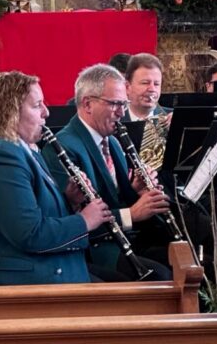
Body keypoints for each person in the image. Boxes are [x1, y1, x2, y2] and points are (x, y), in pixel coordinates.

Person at [0, 71, 113, 286]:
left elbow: (34, 211)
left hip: (41, 267)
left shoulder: (26, 150)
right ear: (11, 111)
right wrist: (84, 221)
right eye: (37, 105)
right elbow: (29, 234)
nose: (46, 113)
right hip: (14, 282)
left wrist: (69, 201)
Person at [41, 64, 172, 281]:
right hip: (97, 248)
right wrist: (132, 213)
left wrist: (135, 190)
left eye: (124, 104)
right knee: (160, 277)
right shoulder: (63, 147)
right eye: (115, 104)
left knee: (185, 252)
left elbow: (116, 198)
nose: (122, 112)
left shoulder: (111, 140)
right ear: (87, 104)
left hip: (125, 237)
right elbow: (77, 218)